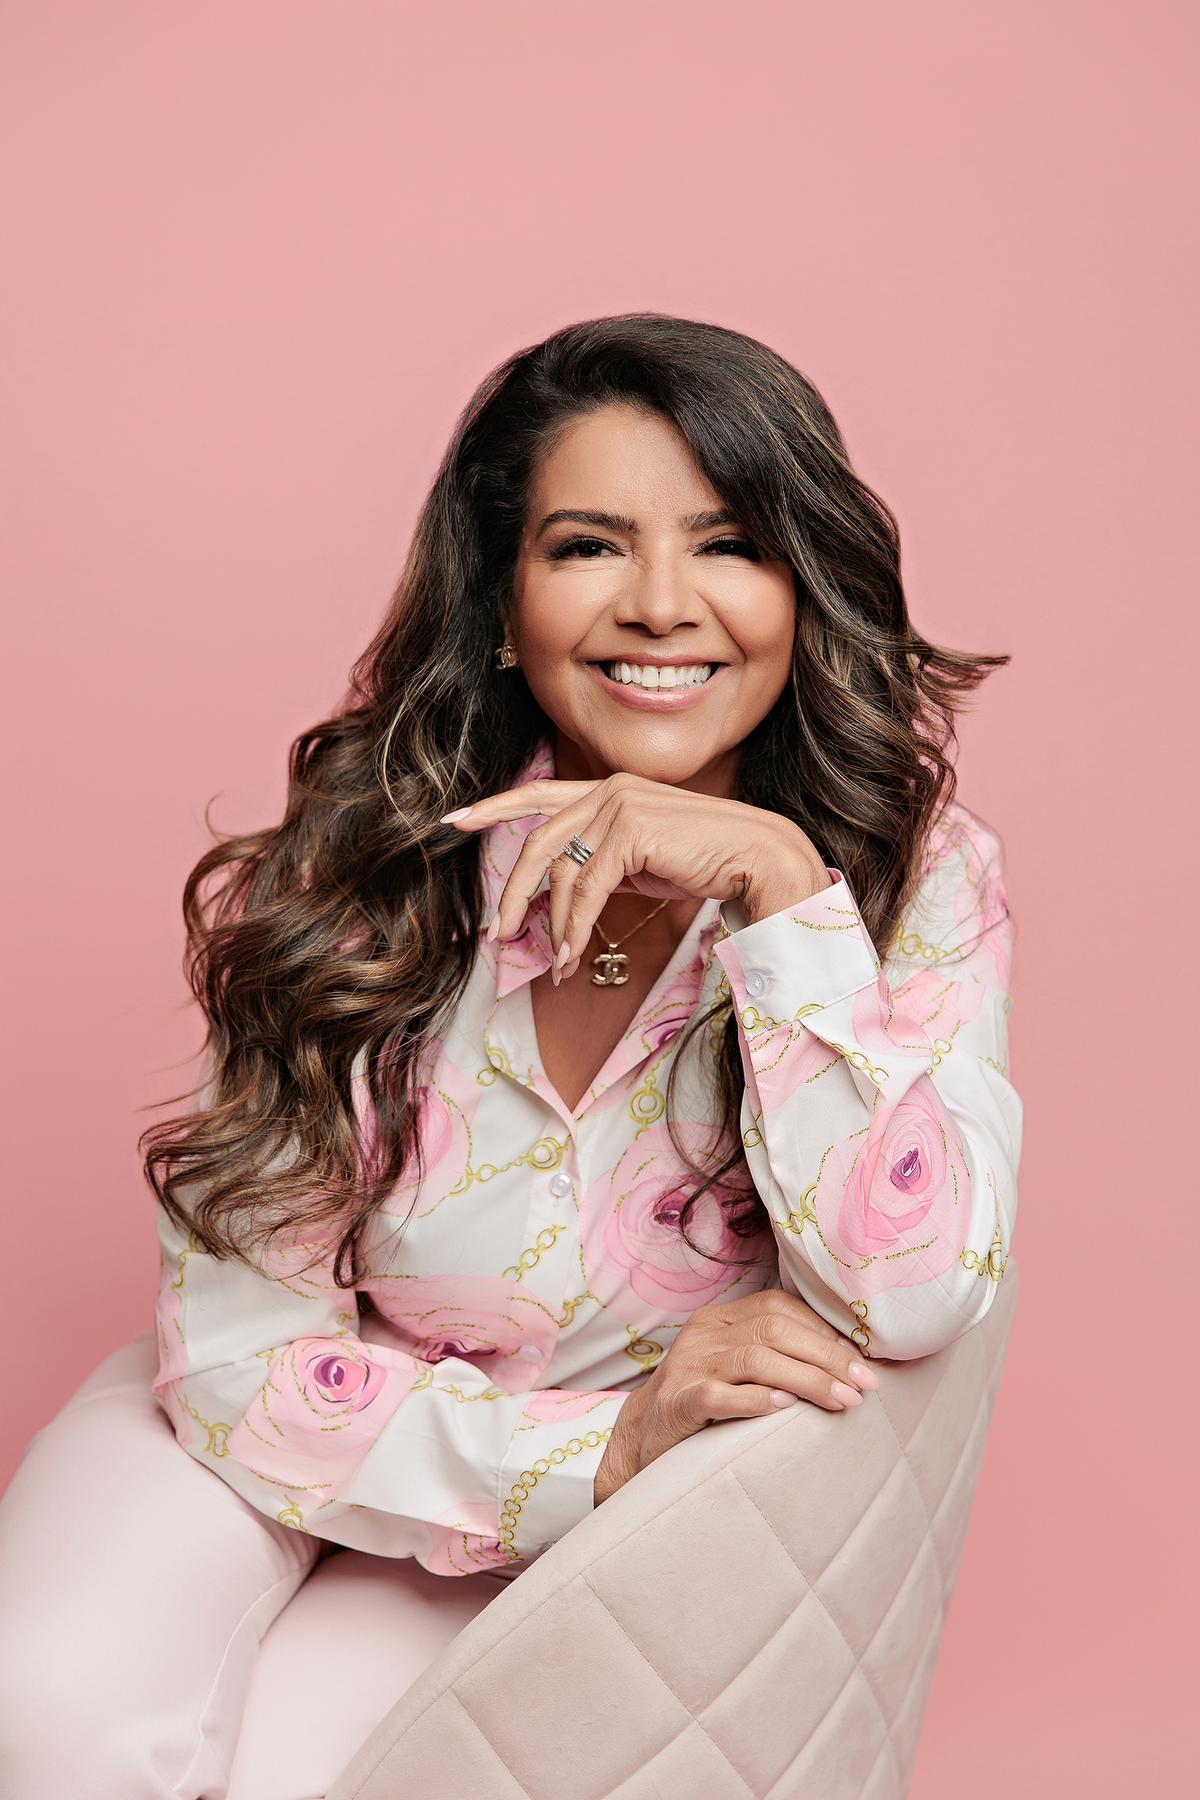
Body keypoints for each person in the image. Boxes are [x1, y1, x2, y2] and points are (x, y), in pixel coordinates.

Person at [0, 311, 1022, 1797]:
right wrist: (592, 1450)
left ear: (803, 589)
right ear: (502, 598)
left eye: (727, 543)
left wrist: (780, 901)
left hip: (553, 1534)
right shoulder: (363, 861)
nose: (661, 605)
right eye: (589, 547)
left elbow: (918, 1294)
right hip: (263, 1425)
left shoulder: (904, 883)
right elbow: (236, 1359)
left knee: (312, 1777)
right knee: (42, 1713)